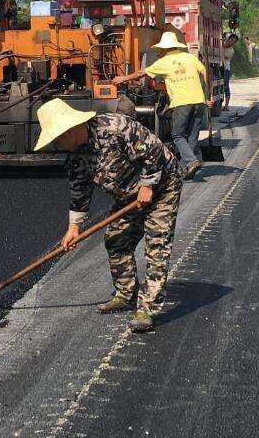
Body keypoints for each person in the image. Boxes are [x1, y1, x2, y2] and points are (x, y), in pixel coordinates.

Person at [34, 98, 183, 334]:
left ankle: (147, 308)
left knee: (157, 243)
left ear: (70, 130)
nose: (58, 144)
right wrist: (74, 228)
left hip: (163, 185)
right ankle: (126, 294)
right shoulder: (76, 159)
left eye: (59, 138)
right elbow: (80, 193)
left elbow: (153, 150)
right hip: (128, 196)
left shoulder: (115, 127)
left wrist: (148, 184)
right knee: (116, 239)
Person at [116, 31, 211, 179]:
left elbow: (142, 73)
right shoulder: (189, 57)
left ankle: (191, 161)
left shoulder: (164, 62)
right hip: (199, 101)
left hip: (182, 103)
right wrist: (207, 95)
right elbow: (204, 71)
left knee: (178, 135)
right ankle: (188, 168)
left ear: (164, 48)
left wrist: (124, 78)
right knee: (192, 136)